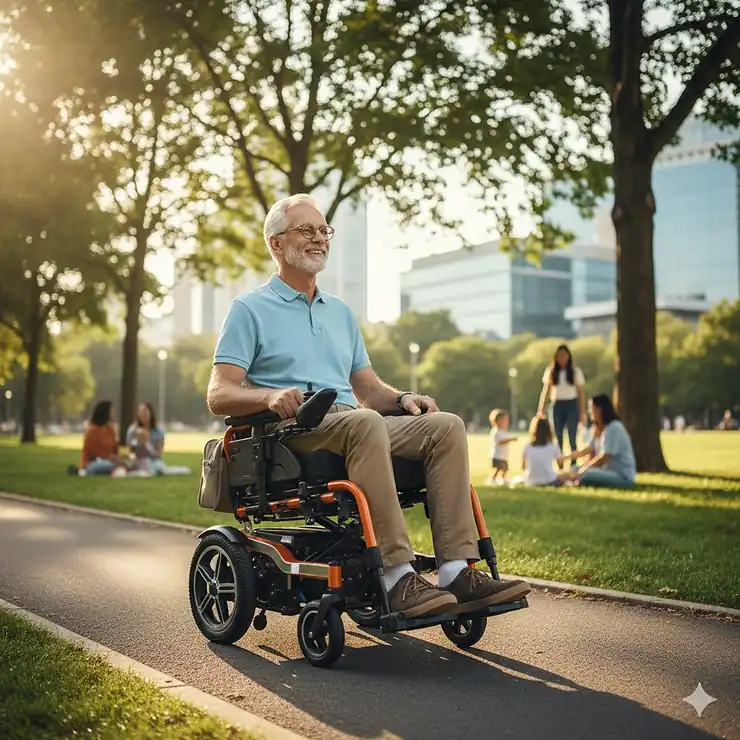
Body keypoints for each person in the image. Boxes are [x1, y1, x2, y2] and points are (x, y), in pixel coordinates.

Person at [206, 193, 531, 619]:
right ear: (276, 244)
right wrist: (268, 396)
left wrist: (401, 399)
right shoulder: (249, 308)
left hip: (355, 421)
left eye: (324, 230)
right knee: (365, 424)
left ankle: (457, 571)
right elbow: (218, 393)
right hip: (293, 431)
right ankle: (398, 577)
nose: (319, 238)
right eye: (306, 230)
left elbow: (368, 390)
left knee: (446, 426)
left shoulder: (340, 313)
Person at [563, 394, 636, 489]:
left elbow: (604, 458)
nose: (589, 412)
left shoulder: (614, 428)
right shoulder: (600, 429)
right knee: (575, 468)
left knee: (585, 474)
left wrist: (583, 470)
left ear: (599, 409)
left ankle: (575, 481)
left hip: (622, 476)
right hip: (606, 472)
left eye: (591, 408)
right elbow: (588, 450)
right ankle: (574, 479)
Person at [537, 344, 586, 463]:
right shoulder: (551, 371)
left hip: (571, 405)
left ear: (569, 357)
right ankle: (560, 462)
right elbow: (546, 391)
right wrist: (540, 409)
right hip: (556, 405)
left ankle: (573, 462)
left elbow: (580, 393)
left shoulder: (575, 372)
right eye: (559, 356)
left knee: (572, 436)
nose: (562, 358)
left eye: (564, 355)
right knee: (557, 436)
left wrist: (582, 411)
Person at [80, 401, 130, 475]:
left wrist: (124, 457)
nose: (114, 413)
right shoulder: (92, 431)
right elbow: (98, 454)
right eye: (112, 411)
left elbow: (115, 451)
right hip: (92, 464)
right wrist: (117, 460)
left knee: (129, 463)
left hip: (109, 462)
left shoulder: (110, 430)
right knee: (117, 465)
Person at [521, 416, 568, 487]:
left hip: (530, 481)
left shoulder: (528, 446)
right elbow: (560, 466)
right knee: (568, 475)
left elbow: (523, 467)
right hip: (549, 480)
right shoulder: (553, 446)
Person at [126, 401, 166, 474]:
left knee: (159, 467)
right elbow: (130, 448)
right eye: (140, 411)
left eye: (145, 411)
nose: (142, 414)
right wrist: (137, 441)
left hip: (154, 460)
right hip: (137, 459)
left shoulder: (158, 431)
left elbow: (159, 453)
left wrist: (147, 445)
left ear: (150, 413)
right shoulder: (132, 430)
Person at [488, 409, 516, 484]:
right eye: (504, 421)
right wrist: (510, 439)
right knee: (498, 469)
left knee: (504, 469)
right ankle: (492, 479)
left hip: (503, 456)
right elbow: (500, 442)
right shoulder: (496, 431)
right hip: (497, 456)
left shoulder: (502, 432)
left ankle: (503, 479)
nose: (506, 423)